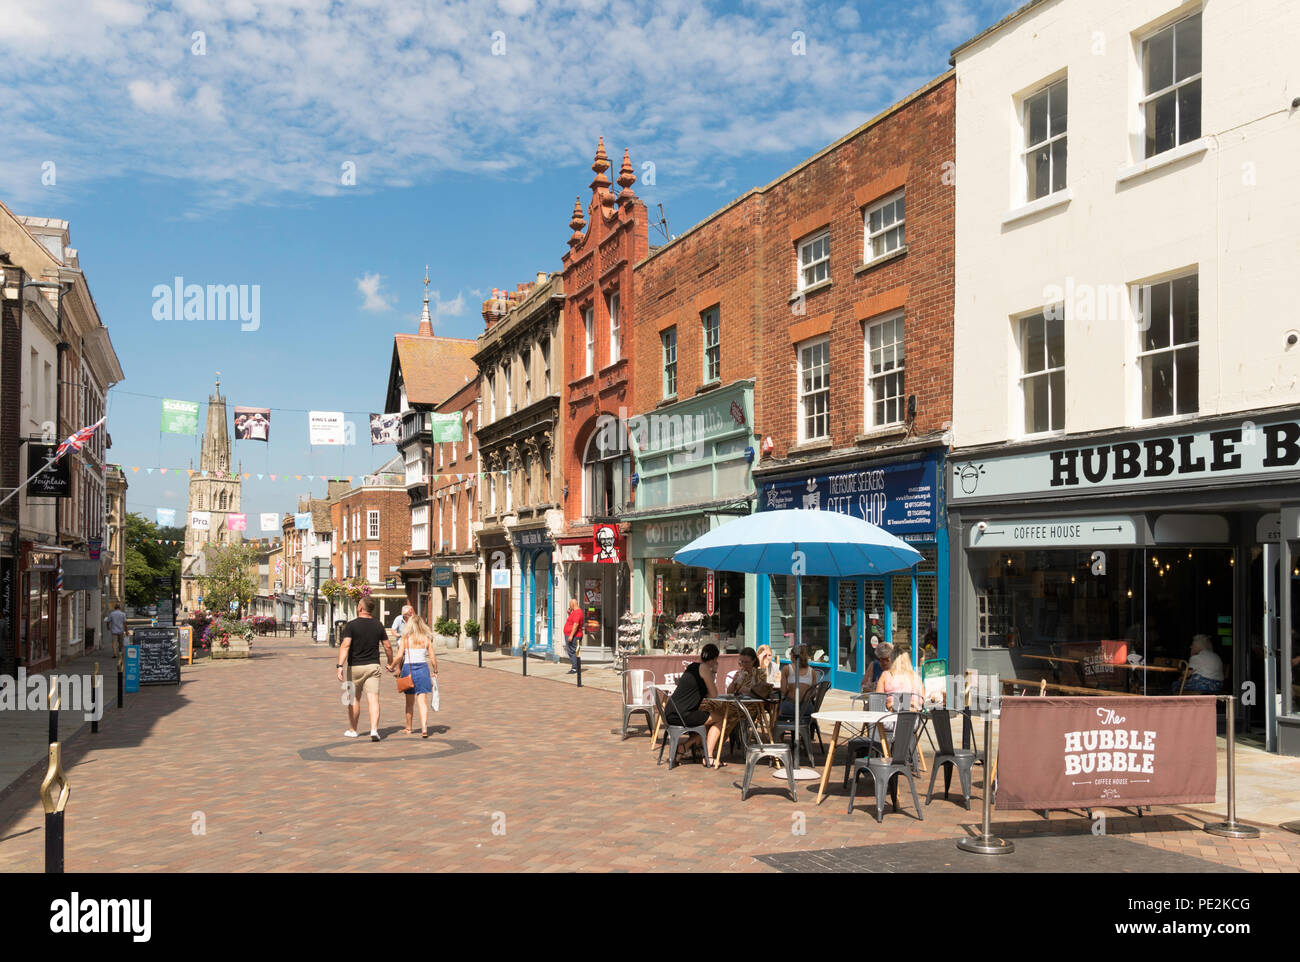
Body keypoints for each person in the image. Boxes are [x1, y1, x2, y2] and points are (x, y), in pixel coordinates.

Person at [336, 595, 394, 741]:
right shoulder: (378, 625)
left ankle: (353, 729)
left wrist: (340, 665)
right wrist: (390, 662)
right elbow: (387, 646)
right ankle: (374, 729)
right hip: (373, 667)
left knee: (353, 699)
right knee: (373, 698)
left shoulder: (352, 625)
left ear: (360, 608)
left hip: (355, 667)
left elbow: (346, 645)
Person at [665, 643, 722, 766]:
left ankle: (685, 747)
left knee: (706, 721)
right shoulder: (705, 668)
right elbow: (713, 694)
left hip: (671, 711)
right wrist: (714, 672)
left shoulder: (692, 667)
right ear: (713, 660)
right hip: (684, 714)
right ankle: (709, 756)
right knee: (719, 719)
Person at [390, 614, 439, 737]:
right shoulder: (426, 639)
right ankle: (424, 729)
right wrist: (435, 670)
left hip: (409, 669)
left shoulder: (405, 639)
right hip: (423, 669)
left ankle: (409, 727)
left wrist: (392, 666)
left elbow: (400, 655)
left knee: (409, 702)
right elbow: (432, 657)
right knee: (422, 702)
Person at [877, 645, 924, 712]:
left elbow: (878, 699)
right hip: (913, 719)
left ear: (892, 660)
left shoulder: (886, 675)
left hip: (891, 717)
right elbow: (922, 700)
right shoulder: (915, 677)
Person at [777, 645, 817, 720]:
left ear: (792, 655)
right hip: (807, 709)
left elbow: (783, 690)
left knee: (778, 707)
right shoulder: (812, 671)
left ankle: (779, 728)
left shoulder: (787, 669)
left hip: (791, 707)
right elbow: (814, 693)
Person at [562, 599, 583, 674]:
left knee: (572, 651)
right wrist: (569, 613)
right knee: (573, 651)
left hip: (574, 636)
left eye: (570, 604)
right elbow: (572, 621)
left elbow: (576, 624)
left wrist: (571, 635)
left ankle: (575, 668)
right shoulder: (575, 612)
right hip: (572, 635)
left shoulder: (577, 612)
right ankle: (576, 667)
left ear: (572, 604)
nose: (569, 606)